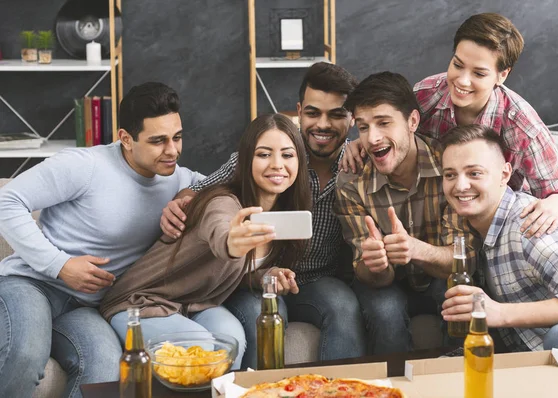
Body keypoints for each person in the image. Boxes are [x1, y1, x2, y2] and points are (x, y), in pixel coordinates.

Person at [0, 82, 204, 398]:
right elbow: (7, 200)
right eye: (158, 141)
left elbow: (221, 185)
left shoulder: (176, 176)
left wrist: (190, 193)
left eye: (177, 137)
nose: (173, 150)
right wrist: (61, 264)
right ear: (125, 139)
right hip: (31, 284)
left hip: (87, 306)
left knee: (107, 370)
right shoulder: (85, 166)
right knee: (25, 353)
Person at [159, 62, 367, 369]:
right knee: (268, 316)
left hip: (316, 279)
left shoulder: (358, 164)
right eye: (312, 113)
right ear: (299, 111)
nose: (322, 124)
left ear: (352, 119)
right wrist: (179, 203)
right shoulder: (272, 152)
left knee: (342, 306)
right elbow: (199, 192)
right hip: (252, 279)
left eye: (336, 114)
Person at [100, 113, 311, 370]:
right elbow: (221, 233)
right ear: (245, 160)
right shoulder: (223, 203)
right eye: (264, 154)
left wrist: (266, 274)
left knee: (231, 340)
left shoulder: (279, 217)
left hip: (194, 304)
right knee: (198, 346)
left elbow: (227, 271)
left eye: (287, 155)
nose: (277, 164)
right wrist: (231, 243)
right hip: (141, 302)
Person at [341, 13, 558, 238]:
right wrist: (360, 145)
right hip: (444, 223)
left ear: (502, 75)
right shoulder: (425, 95)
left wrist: (556, 203)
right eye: (457, 64)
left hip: (499, 225)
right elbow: (394, 130)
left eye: (479, 73)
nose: (462, 80)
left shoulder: (524, 128)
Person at [335, 71, 472, 355]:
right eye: (362, 127)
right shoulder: (352, 182)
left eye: (384, 123)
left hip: (438, 277)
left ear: (412, 121)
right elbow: (369, 276)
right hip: (387, 287)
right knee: (385, 309)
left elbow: (463, 260)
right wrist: (377, 264)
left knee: (460, 292)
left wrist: (415, 249)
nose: (372, 138)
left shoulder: (447, 167)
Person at [440, 124, 558, 365]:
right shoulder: (473, 226)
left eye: (474, 173)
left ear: (505, 174)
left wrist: (500, 314)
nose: (460, 186)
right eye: (450, 175)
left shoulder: (531, 229)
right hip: (533, 355)